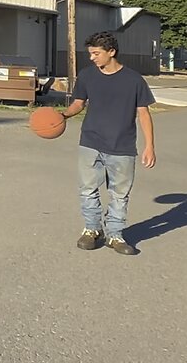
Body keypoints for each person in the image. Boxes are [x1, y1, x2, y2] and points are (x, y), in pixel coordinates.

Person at [61, 30, 156, 255]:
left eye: (96, 53)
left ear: (111, 52)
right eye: (91, 54)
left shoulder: (134, 80)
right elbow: (78, 103)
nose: (92, 58)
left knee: (119, 194)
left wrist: (149, 146)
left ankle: (115, 235)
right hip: (90, 142)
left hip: (122, 146)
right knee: (88, 190)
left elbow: (143, 113)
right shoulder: (86, 76)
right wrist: (62, 116)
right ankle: (92, 230)